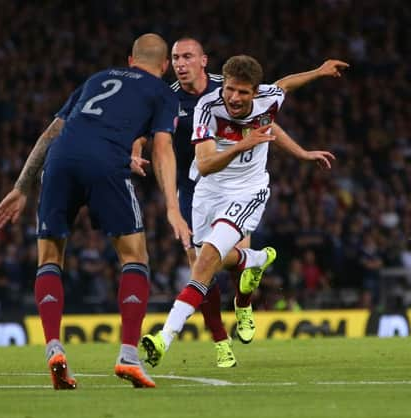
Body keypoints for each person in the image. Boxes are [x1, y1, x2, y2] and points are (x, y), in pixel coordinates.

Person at [0, 33, 191, 389]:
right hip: (105, 164)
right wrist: (173, 207)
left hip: (60, 160)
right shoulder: (162, 92)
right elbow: (162, 149)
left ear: (130, 59)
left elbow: (51, 132)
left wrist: (21, 187)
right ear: (163, 66)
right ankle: (128, 356)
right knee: (135, 257)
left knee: (49, 257)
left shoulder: (97, 78)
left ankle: (54, 348)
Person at [135, 37, 348, 368]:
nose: (234, 98)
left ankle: (165, 338)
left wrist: (319, 72)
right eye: (231, 91)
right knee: (212, 263)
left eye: (243, 93)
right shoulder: (204, 105)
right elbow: (204, 164)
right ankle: (255, 259)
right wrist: (242, 143)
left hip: (247, 192)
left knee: (204, 264)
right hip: (202, 188)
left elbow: (284, 86)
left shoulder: (265, 96)